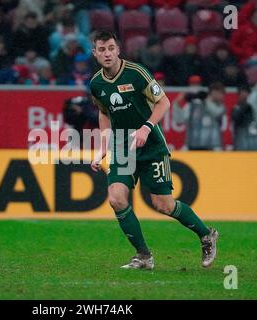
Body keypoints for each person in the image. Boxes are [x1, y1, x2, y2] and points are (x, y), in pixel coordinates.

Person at [89, 30, 218, 270]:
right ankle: (144, 256)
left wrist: (146, 128)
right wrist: (102, 148)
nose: (107, 53)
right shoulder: (96, 84)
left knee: (163, 205)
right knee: (116, 199)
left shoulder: (137, 74)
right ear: (94, 53)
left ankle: (206, 235)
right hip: (122, 147)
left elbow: (164, 102)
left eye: (110, 48)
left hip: (150, 146)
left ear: (118, 49)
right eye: (101, 49)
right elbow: (104, 113)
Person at [173, 82, 225, 150]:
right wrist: (177, 104)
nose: (222, 96)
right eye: (220, 93)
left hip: (212, 147)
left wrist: (206, 100)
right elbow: (179, 120)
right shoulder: (193, 106)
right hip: (193, 145)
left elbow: (216, 113)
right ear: (213, 92)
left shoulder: (220, 107)